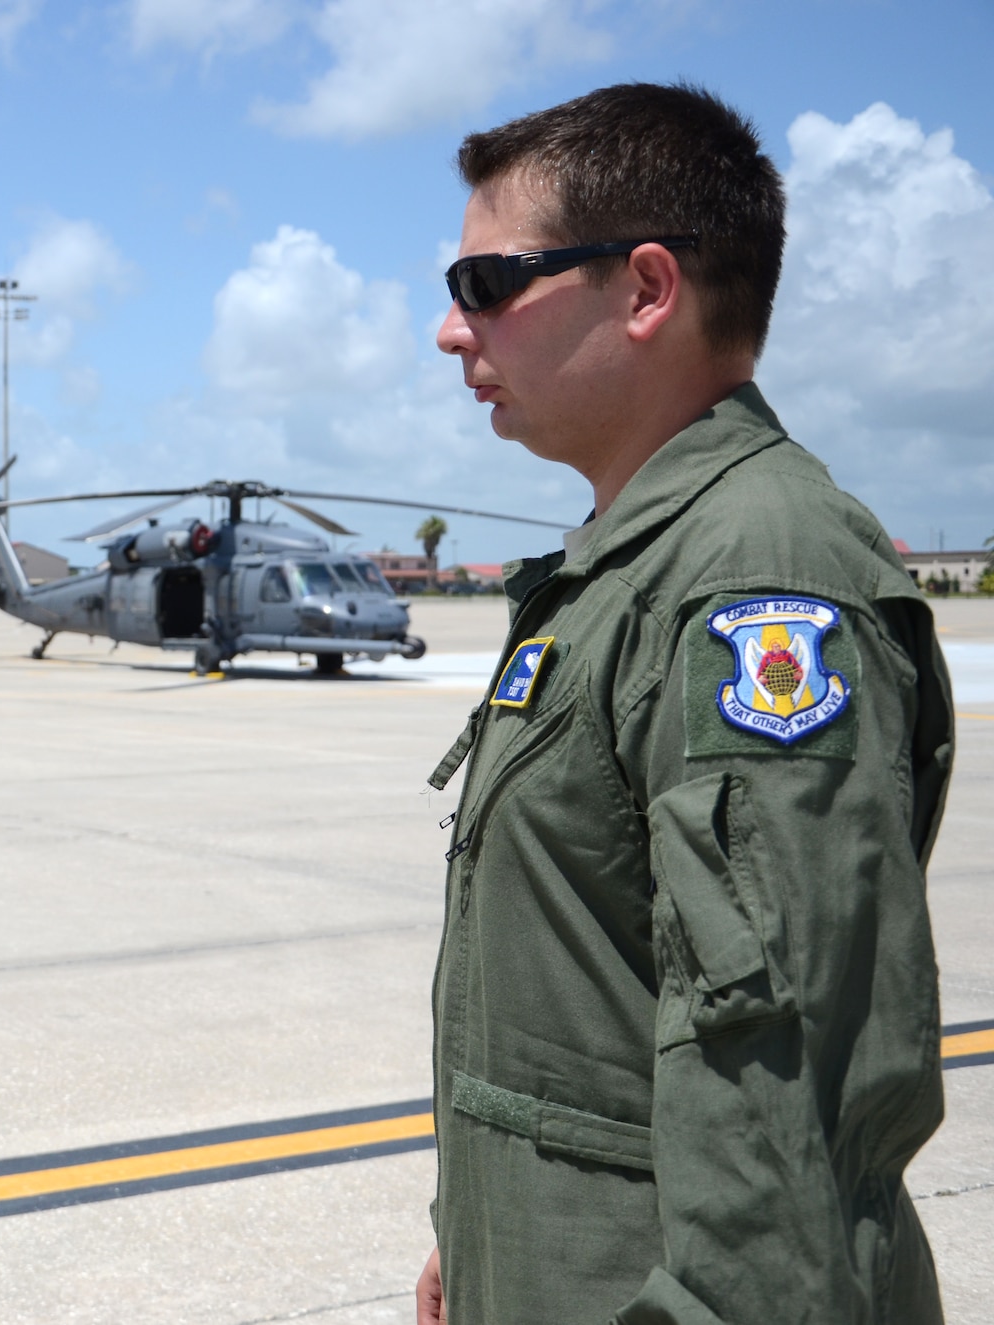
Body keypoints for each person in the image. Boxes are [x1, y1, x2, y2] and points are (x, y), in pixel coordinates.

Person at [416, 84, 953, 1323]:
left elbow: (782, 1084)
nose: (453, 332)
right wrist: (477, 1233)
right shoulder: (626, 565)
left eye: (485, 283)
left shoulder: (754, 582)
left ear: (645, 288)